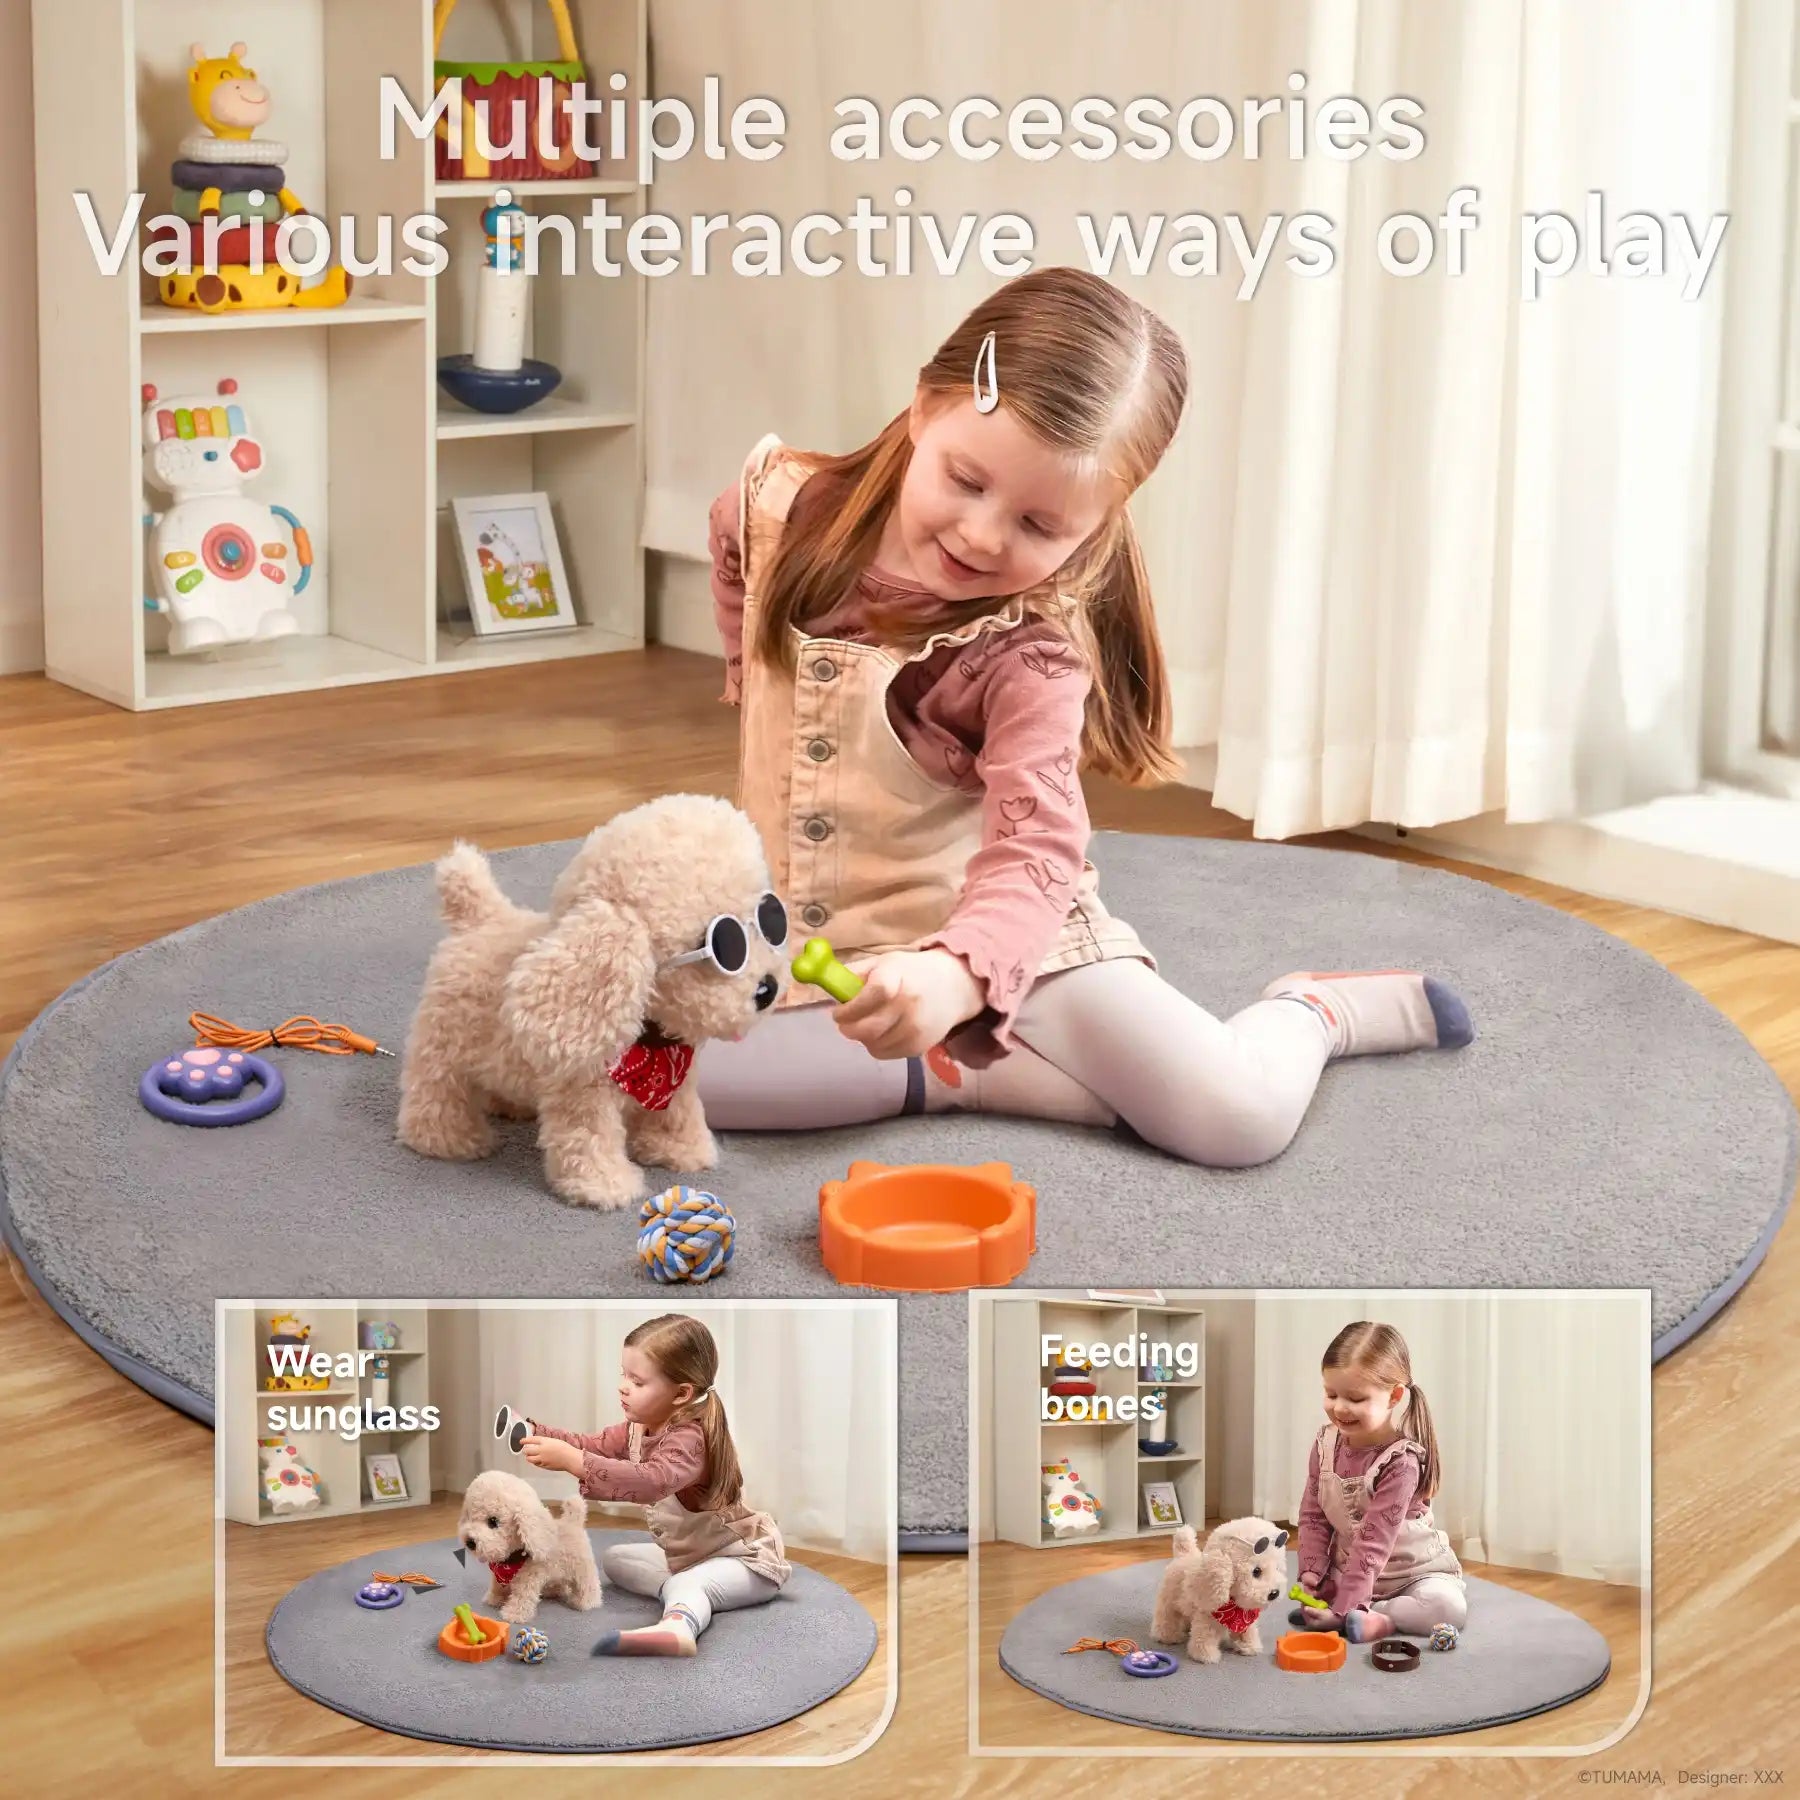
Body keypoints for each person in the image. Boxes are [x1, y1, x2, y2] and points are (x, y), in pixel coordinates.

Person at [693, 265, 1472, 1167]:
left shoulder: (1031, 654)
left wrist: (957, 977)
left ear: (1099, 524)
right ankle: (977, 1073)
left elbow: (1038, 856)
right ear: (924, 408)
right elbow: (734, 551)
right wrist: (744, 677)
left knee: (1238, 1121)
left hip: (1005, 935)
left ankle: (1311, 1011)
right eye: (966, 479)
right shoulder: (778, 509)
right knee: (634, 1075)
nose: (984, 536)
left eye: (1040, 524)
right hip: (805, 934)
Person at [521, 1312, 788, 1656]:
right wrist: (533, 1431)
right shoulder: (640, 1427)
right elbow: (590, 1443)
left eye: (638, 1381)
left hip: (746, 1561)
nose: (623, 1386)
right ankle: (688, 1593)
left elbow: (651, 1482)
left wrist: (574, 1462)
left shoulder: (690, 1439)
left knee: (689, 1581)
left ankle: (679, 1624)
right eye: (624, 1375)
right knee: (616, 1560)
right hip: (693, 1557)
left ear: (681, 1393)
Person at [1292, 1319, 1468, 1641]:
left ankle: (1382, 1618)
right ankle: (1353, 1605)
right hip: (1352, 1570)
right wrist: (1312, 1571)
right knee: (1319, 1591)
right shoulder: (1324, 1445)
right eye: (1331, 1394)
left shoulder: (1401, 1462)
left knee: (1448, 1609)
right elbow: (1313, 1517)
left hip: (1411, 1573)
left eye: (1356, 1399)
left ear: (1393, 1396)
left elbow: (1374, 1543)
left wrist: (1343, 1609)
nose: (1340, 1407)